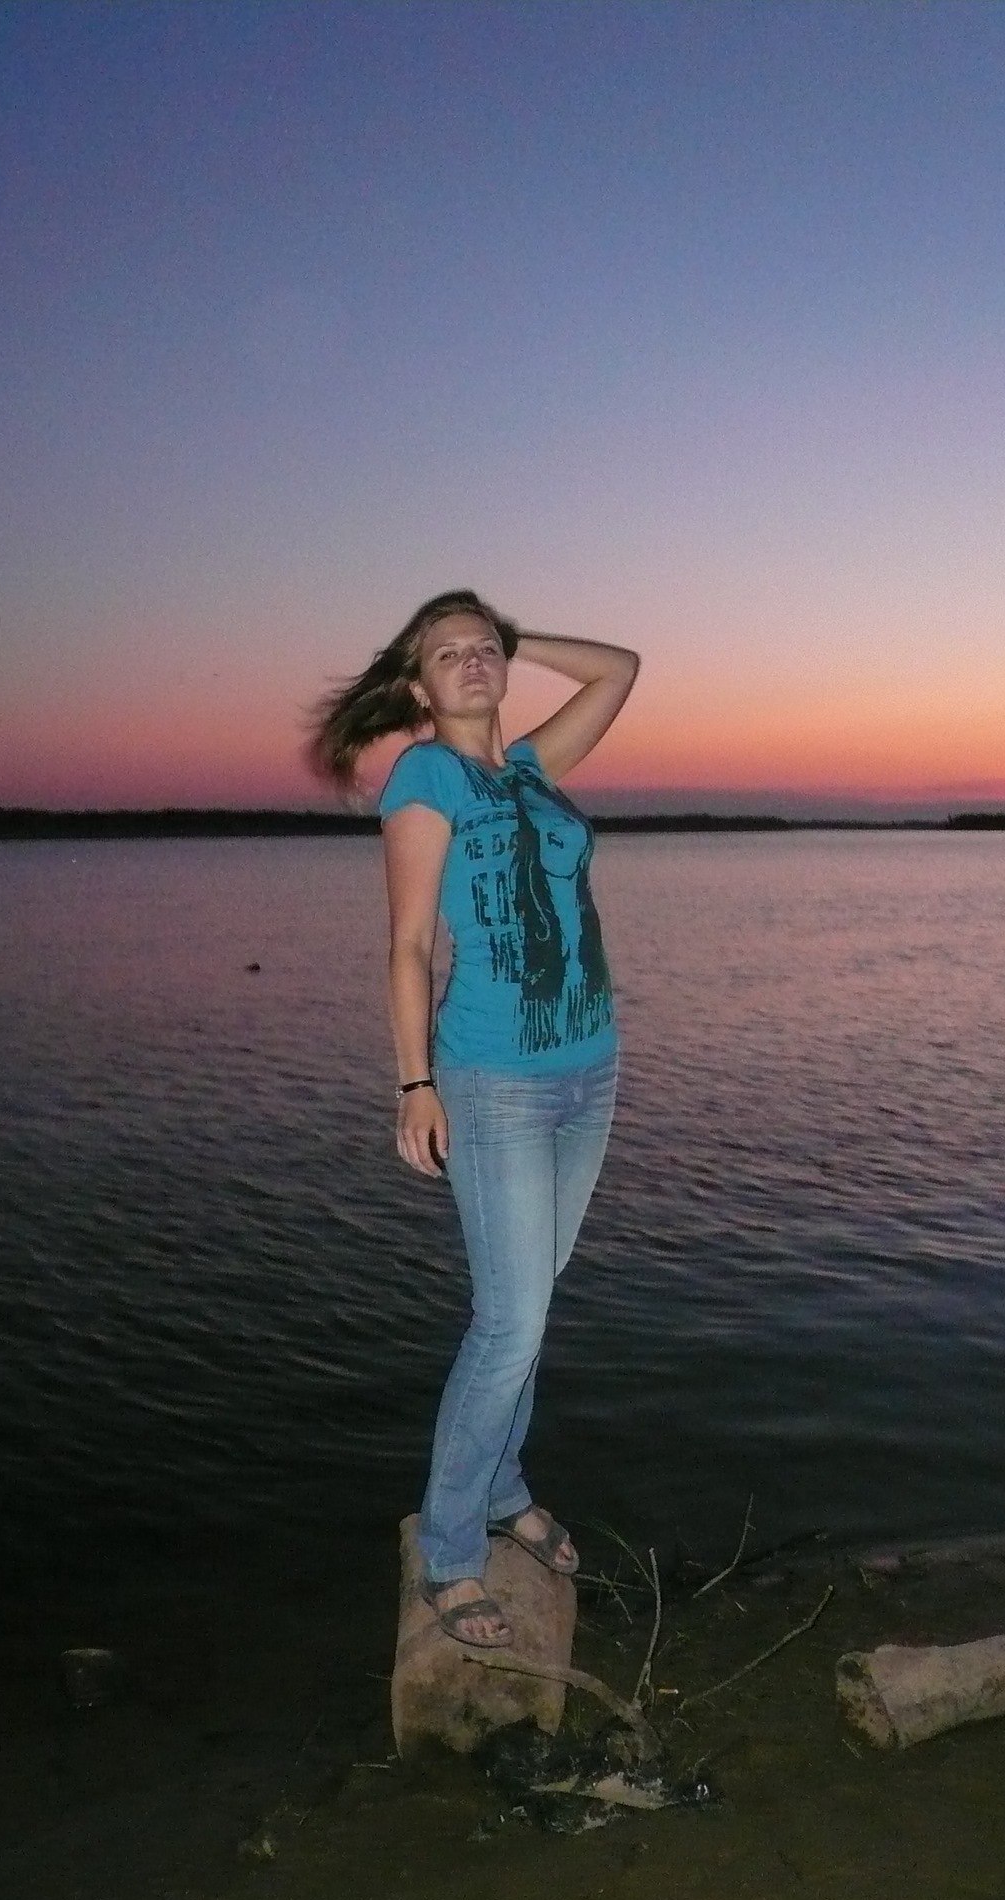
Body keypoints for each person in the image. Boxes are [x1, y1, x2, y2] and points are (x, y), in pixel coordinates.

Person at [309, 591, 639, 1648]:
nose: (471, 661)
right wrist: (415, 1084)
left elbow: (621, 667)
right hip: (493, 1078)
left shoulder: (533, 766)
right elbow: (408, 944)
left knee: (530, 1299)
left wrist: (517, 635)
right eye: (445, 653)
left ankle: (502, 1486)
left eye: (482, 648)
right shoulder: (427, 776)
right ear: (418, 684)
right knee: (510, 1321)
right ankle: (452, 1552)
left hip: (589, 1068)